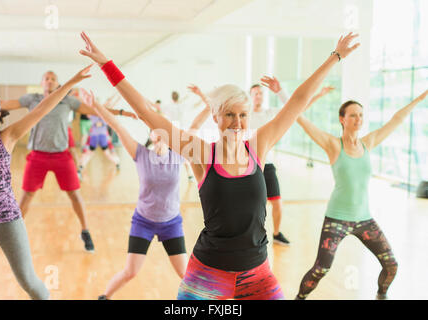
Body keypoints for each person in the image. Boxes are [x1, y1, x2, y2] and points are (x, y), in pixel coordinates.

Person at [79, 30, 360, 300]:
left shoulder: (258, 146)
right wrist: (107, 65)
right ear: (215, 116)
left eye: (243, 115)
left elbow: (298, 101)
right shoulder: (201, 152)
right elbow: (146, 112)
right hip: (208, 272)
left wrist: (336, 56)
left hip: (258, 272)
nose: (237, 123)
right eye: (229, 115)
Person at [293, 84, 427, 299]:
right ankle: (299, 298)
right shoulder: (333, 145)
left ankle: (381, 295)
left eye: (361, 115)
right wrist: (315, 95)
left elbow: (396, 119)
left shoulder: (368, 143)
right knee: (321, 269)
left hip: (364, 220)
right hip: (337, 219)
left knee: (391, 265)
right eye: (353, 115)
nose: (359, 119)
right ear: (342, 119)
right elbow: (299, 117)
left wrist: (420, 98)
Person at [0, 64, 92, 299]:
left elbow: (42, 109)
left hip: (8, 219)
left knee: (29, 281)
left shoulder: (7, 136)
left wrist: (69, 84)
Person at [83, 89, 210, 300]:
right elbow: (117, 125)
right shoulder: (139, 153)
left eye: (163, 128)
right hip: (143, 221)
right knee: (131, 272)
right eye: (154, 128)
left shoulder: (178, 154)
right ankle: (104, 297)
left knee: (184, 273)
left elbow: (195, 126)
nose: (158, 132)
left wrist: (209, 104)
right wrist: (96, 105)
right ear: (151, 134)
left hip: (171, 223)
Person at [0, 70, 136, 252]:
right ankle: (14, 234)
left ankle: (85, 231)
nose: (49, 81)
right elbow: (4, 104)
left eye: (53, 78)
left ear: (58, 83)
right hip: (37, 156)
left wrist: (121, 112)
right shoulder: (31, 99)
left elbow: (95, 110)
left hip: (61, 156)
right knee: (27, 196)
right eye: (46, 78)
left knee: (75, 195)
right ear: (42, 83)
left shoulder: (67, 100)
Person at [253, 78, 335, 245]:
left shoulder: (270, 113)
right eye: (255, 93)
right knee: (252, 205)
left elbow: (297, 107)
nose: (259, 96)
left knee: (277, 201)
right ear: (250, 97)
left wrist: (318, 95)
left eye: (261, 93)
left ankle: (276, 234)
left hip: (267, 165)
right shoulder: (245, 116)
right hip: (251, 166)